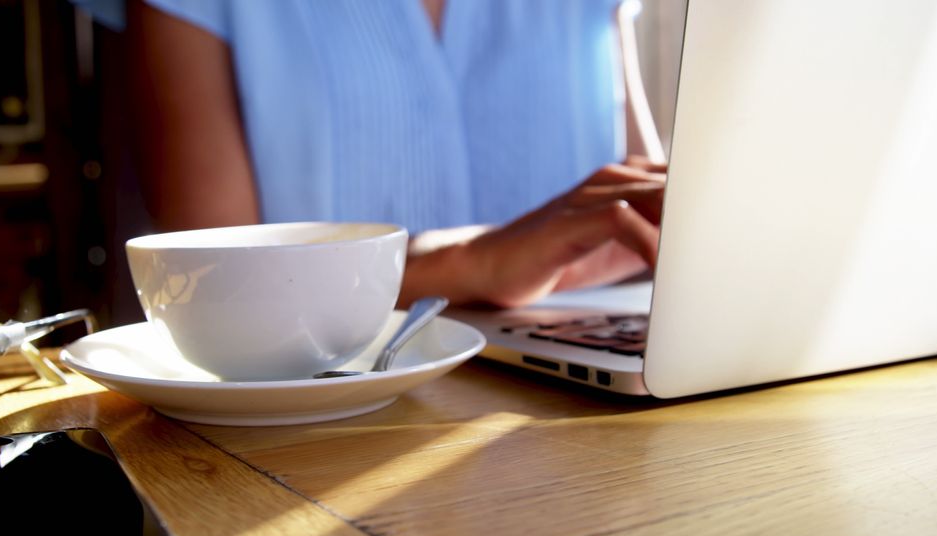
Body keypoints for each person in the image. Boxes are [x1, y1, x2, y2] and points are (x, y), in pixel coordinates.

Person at [112, 0, 667, 308]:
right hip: (312, 442)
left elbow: (645, 225)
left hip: (590, 419)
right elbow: (211, 286)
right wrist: (469, 263)